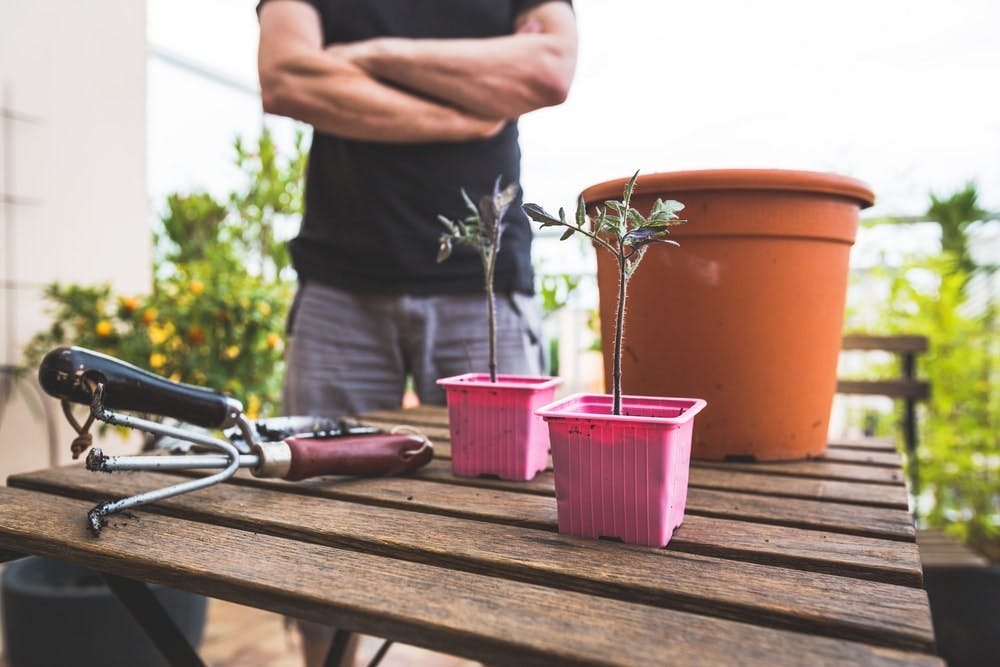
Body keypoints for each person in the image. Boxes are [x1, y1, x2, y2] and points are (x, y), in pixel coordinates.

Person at [256, 1, 577, 663]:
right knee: (316, 516)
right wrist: (468, 111)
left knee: (515, 521)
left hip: (483, 286)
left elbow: (548, 70)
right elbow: (288, 75)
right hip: (338, 289)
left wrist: (369, 56)